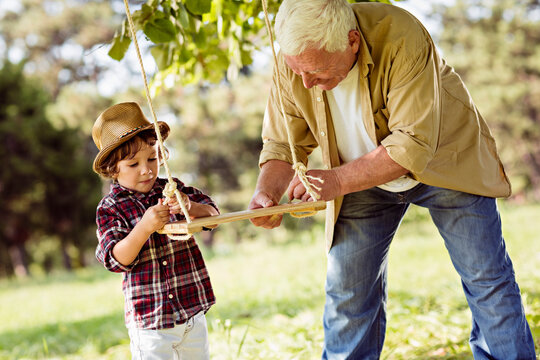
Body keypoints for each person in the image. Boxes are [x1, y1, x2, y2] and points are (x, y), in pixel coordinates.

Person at [248, 0, 536, 359]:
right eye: (298, 72)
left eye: (317, 72)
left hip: (445, 159)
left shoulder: (402, 36)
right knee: (348, 295)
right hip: (358, 176)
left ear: (352, 40)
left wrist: (335, 182)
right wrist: (267, 193)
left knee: (487, 280)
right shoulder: (293, 64)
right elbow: (281, 144)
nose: (306, 83)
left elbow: (411, 146)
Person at [92, 102, 219, 360]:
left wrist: (189, 205)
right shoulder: (111, 207)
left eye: (152, 158)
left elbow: (213, 216)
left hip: (191, 310)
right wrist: (145, 226)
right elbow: (116, 259)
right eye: (133, 164)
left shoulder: (172, 188)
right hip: (150, 322)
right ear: (113, 169)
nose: (146, 169)